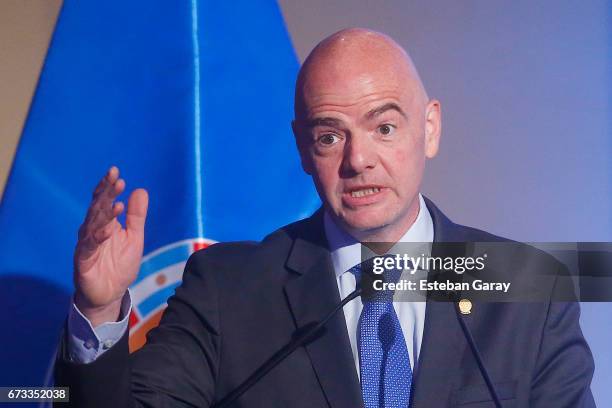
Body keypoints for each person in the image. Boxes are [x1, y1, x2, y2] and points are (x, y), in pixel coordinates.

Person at [55, 28, 595, 407]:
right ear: (301, 148)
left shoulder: (530, 289)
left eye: (384, 128)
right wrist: (100, 313)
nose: (358, 160)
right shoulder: (229, 290)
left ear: (429, 128)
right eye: (330, 135)